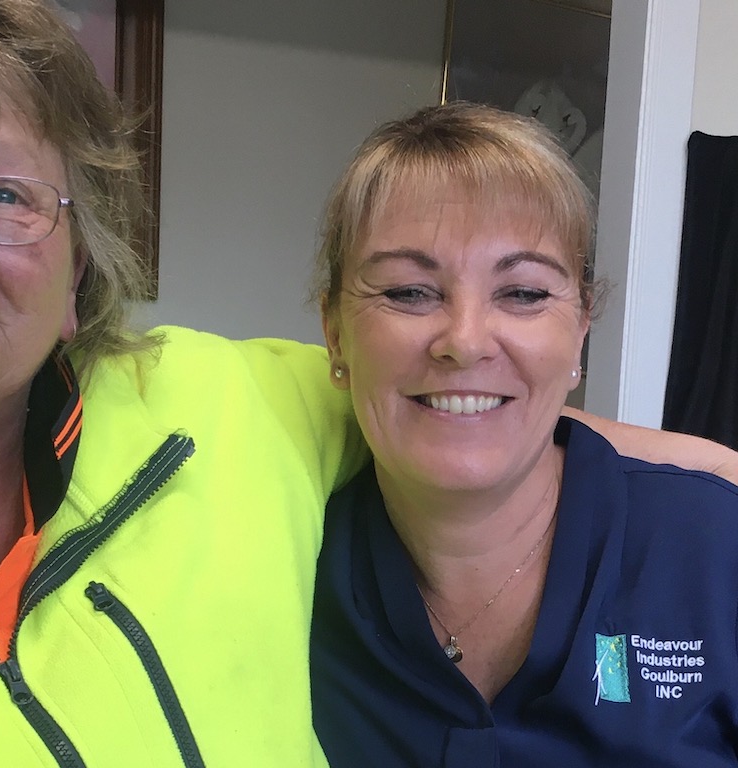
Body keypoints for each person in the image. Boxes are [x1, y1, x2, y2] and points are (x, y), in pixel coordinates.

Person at [0, 4, 734, 766]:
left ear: (78, 266)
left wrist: (706, 477)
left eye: (5, 195)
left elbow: (460, 410)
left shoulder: (224, 411)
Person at [310, 102, 738, 767]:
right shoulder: (283, 561)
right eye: (409, 292)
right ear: (334, 332)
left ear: (581, 332)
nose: (466, 341)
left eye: (524, 294)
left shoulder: (712, 550)